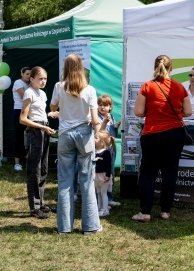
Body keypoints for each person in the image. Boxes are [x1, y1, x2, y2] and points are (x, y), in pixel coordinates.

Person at [132, 55, 192, 222]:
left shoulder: (147, 86)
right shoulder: (179, 87)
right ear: (171, 68)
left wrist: (151, 112)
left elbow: (138, 111)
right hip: (175, 134)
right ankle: (165, 211)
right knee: (170, 172)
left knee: (148, 173)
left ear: (154, 67)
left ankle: (145, 212)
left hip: (152, 134)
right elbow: (188, 112)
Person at [50, 54, 102, 235]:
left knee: (65, 181)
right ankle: (90, 226)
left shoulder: (59, 86)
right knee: (86, 181)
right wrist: (98, 133)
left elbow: (53, 108)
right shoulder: (89, 89)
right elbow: (95, 118)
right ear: (81, 67)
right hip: (84, 135)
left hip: (65, 135)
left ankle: (64, 227)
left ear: (65, 67)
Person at [19, 67, 57, 219]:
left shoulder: (42, 93)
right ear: (32, 78)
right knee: (34, 170)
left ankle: (40, 202)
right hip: (35, 132)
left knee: (43, 168)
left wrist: (50, 114)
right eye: (40, 78)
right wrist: (43, 127)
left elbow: (39, 113)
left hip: (43, 130)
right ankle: (34, 206)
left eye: (45, 79)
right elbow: (23, 118)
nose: (43, 81)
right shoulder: (29, 92)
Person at [97, 94, 121, 207]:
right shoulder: (97, 118)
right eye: (100, 105)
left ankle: (109, 197)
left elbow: (112, 134)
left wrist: (115, 127)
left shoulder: (111, 117)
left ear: (110, 107)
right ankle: (100, 198)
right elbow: (99, 133)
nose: (102, 107)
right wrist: (105, 123)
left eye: (105, 105)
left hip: (111, 149)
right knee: (102, 174)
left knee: (110, 173)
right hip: (102, 151)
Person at [12, 66, 31, 171]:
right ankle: (17, 163)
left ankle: (29, 159)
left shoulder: (28, 85)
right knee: (19, 137)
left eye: (30, 74)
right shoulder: (18, 83)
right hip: (19, 111)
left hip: (29, 112)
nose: (29, 76)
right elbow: (25, 97)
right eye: (27, 74)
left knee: (30, 136)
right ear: (22, 74)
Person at [94, 130, 114, 217]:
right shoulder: (94, 151)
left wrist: (108, 175)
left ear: (102, 142)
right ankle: (99, 208)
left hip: (103, 176)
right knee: (98, 193)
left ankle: (105, 210)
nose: (93, 139)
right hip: (96, 175)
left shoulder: (105, 152)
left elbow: (108, 165)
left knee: (103, 193)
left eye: (96, 138)